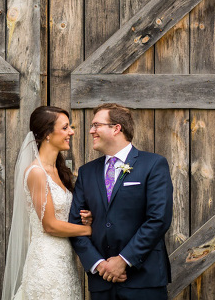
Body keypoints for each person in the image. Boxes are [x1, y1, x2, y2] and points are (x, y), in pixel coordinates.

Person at [69, 103, 173, 300]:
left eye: (96, 125)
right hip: (102, 282)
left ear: (116, 128)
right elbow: (75, 224)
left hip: (144, 279)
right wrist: (99, 264)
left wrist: (123, 260)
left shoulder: (153, 164)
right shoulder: (86, 172)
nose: (91, 131)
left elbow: (159, 218)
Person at [2, 106, 93, 300]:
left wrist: (85, 218)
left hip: (64, 260)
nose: (71, 132)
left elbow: (63, 214)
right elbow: (50, 225)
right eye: (65, 127)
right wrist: (90, 230)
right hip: (47, 262)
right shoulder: (37, 172)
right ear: (47, 134)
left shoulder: (58, 170)